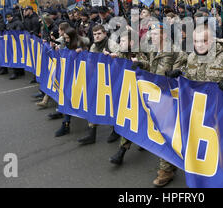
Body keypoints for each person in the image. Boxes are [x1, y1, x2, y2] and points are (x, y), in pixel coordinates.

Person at [132, 23, 187, 188]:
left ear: (164, 35)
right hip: (155, 96)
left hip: (170, 98)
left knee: (167, 132)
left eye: (155, 34)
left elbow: (186, 69)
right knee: (159, 131)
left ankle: (166, 170)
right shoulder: (152, 50)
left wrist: (177, 73)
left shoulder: (176, 50)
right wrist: (141, 64)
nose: (152, 37)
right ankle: (169, 165)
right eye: (151, 34)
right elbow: (151, 66)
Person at [106, 29, 148, 165]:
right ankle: (122, 151)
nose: (120, 43)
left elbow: (149, 67)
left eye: (123, 41)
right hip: (128, 93)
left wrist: (140, 64)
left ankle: (144, 141)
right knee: (128, 120)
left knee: (146, 121)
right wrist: (110, 56)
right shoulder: (121, 54)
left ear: (131, 42)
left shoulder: (139, 53)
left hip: (142, 93)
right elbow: (116, 57)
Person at [76, 24, 120, 145]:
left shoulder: (112, 44)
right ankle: (92, 133)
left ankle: (116, 130)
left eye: (99, 34)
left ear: (105, 34)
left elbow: (122, 60)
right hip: (98, 79)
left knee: (112, 107)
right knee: (93, 105)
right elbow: (91, 62)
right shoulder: (94, 46)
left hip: (112, 81)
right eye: (94, 34)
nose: (96, 36)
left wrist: (111, 58)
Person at [54, 27, 91, 137]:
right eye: (64, 38)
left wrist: (74, 53)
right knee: (67, 100)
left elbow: (82, 60)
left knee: (85, 103)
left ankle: (92, 129)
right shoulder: (68, 44)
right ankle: (66, 124)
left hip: (81, 79)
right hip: (70, 78)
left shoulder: (80, 46)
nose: (66, 40)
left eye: (67, 38)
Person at [5, 10, 25, 80]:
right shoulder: (8, 23)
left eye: (9, 17)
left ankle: (16, 72)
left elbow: (18, 32)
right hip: (11, 42)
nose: (8, 19)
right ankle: (20, 70)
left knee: (16, 57)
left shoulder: (17, 23)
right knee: (14, 56)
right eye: (7, 18)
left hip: (17, 42)